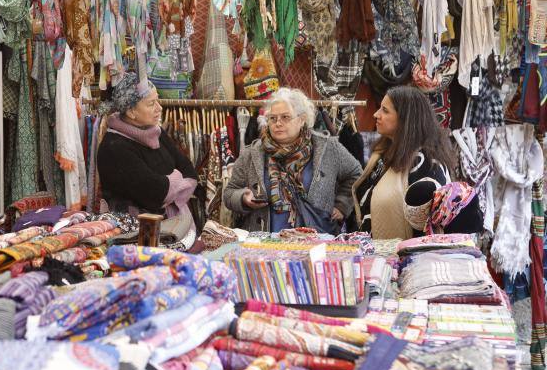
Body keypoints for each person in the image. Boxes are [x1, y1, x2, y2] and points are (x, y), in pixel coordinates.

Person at [223, 88, 362, 233]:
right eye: (272, 118)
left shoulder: (327, 148)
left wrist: (342, 205)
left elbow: (356, 174)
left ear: (302, 120)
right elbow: (229, 193)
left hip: (316, 243)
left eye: (285, 117)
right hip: (266, 247)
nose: (278, 123)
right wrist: (243, 198)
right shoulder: (252, 153)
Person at [96, 73, 198, 244]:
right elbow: (156, 193)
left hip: (177, 229)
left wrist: (169, 186)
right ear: (131, 111)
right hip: (137, 237)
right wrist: (175, 179)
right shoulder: (114, 147)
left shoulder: (156, 132)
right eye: (151, 103)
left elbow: (190, 172)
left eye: (158, 101)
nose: (160, 108)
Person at [352, 86, 456, 240]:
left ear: (406, 119)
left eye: (385, 110)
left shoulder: (426, 164)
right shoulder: (385, 154)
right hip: (378, 254)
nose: (376, 114)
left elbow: (427, 228)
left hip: (405, 259)